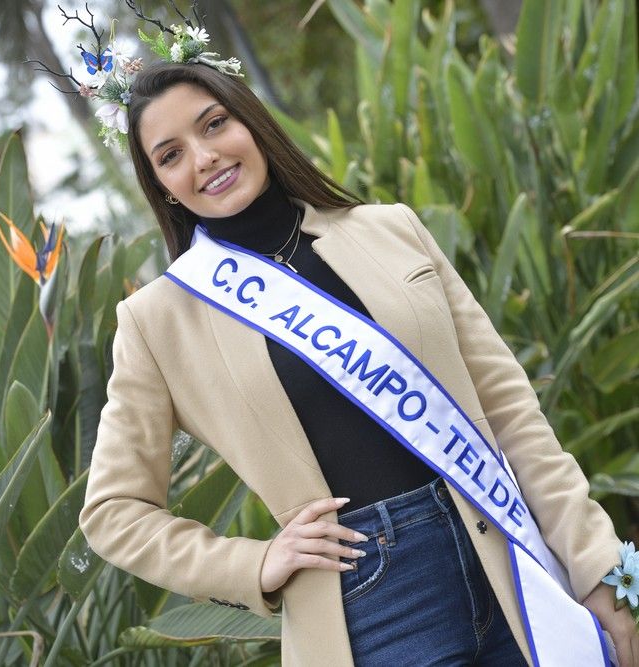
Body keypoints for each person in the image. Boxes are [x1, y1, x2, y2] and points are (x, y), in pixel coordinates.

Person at [73, 32, 638, 667]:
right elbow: (114, 512)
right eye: (171, 154)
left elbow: (509, 412)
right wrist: (254, 563)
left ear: (251, 123)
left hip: (509, 556)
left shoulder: (391, 230)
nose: (203, 157)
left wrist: (597, 567)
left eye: (215, 124)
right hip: (370, 604)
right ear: (163, 187)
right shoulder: (158, 322)